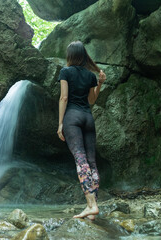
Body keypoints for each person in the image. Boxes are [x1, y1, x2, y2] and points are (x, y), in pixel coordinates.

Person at [57, 41, 106, 220]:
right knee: (91, 162)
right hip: (88, 118)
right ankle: (93, 208)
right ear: (84, 55)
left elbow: (64, 97)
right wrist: (99, 84)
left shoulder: (65, 72)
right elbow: (92, 100)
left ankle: (91, 205)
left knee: (80, 159)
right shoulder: (90, 75)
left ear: (70, 55)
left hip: (72, 117)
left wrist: (61, 123)